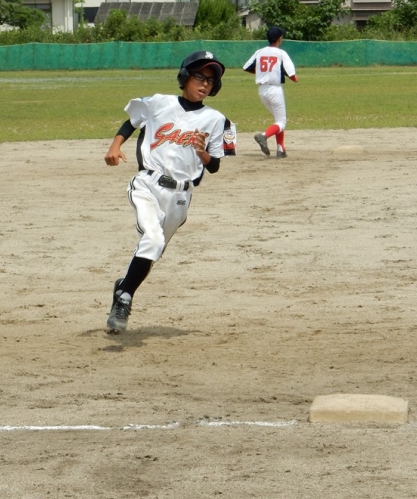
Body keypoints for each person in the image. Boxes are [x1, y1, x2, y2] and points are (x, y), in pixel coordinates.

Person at [103, 50, 236, 334]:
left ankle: (123, 288)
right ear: (185, 76)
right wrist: (115, 146)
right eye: (199, 76)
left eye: (211, 80)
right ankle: (125, 299)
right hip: (148, 184)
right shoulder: (158, 103)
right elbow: (131, 122)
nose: (204, 84)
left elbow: (215, 166)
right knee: (152, 239)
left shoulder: (218, 120)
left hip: (181, 197)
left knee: (152, 251)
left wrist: (203, 154)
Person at [243, 26, 299, 158]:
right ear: (279, 39)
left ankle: (281, 149)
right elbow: (292, 75)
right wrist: (295, 79)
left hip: (262, 90)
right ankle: (263, 136)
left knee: (278, 120)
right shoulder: (281, 53)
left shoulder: (259, 52)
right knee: (281, 122)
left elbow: (246, 67)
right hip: (275, 90)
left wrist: (263, 73)